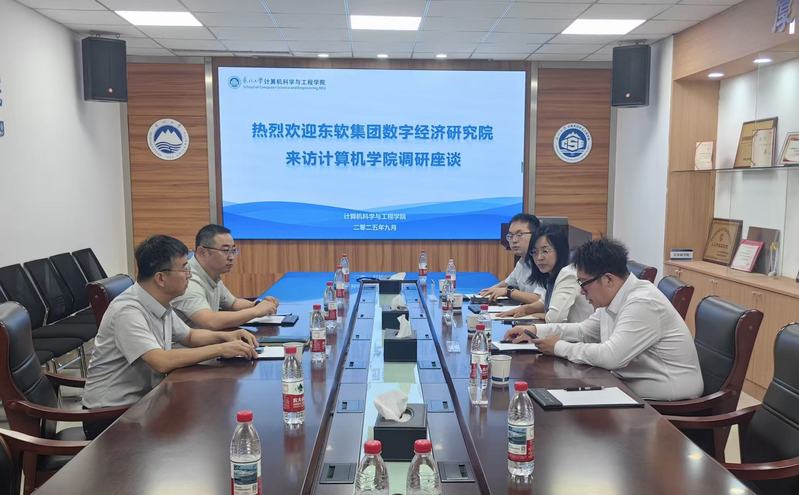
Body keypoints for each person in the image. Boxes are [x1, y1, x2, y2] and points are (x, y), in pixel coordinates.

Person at [82, 235, 259, 438]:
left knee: (205, 422)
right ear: (161, 278)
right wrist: (221, 349)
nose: (189, 275)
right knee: (199, 432)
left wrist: (228, 337)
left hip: (143, 404)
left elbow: (190, 336)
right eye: (184, 269)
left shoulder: (159, 301)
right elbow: (161, 361)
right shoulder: (128, 311)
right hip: (110, 417)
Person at [503, 238, 703, 401]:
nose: (582, 291)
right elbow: (583, 331)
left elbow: (611, 356)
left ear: (608, 279)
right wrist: (535, 331)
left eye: (584, 283)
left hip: (667, 395)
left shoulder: (643, 302)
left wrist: (558, 347)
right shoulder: (615, 297)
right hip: (632, 385)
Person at [173, 224, 279, 329]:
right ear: (202, 252)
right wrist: (256, 311)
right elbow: (210, 321)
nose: (231, 257)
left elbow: (233, 304)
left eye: (233, 250)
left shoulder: (212, 273)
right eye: (225, 250)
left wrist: (258, 304)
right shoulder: (188, 280)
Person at [497, 224, 593, 323]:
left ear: (560, 250)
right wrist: (525, 309)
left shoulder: (568, 274)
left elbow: (554, 318)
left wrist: (537, 315)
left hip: (576, 332)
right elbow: (545, 302)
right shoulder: (552, 274)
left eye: (545, 251)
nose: (539, 258)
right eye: (534, 251)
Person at [479, 213, 543, 304]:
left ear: (535, 235)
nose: (514, 240)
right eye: (510, 236)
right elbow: (507, 283)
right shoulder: (522, 261)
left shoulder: (544, 263)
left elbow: (541, 300)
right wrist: (487, 292)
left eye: (519, 234)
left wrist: (508, 292)